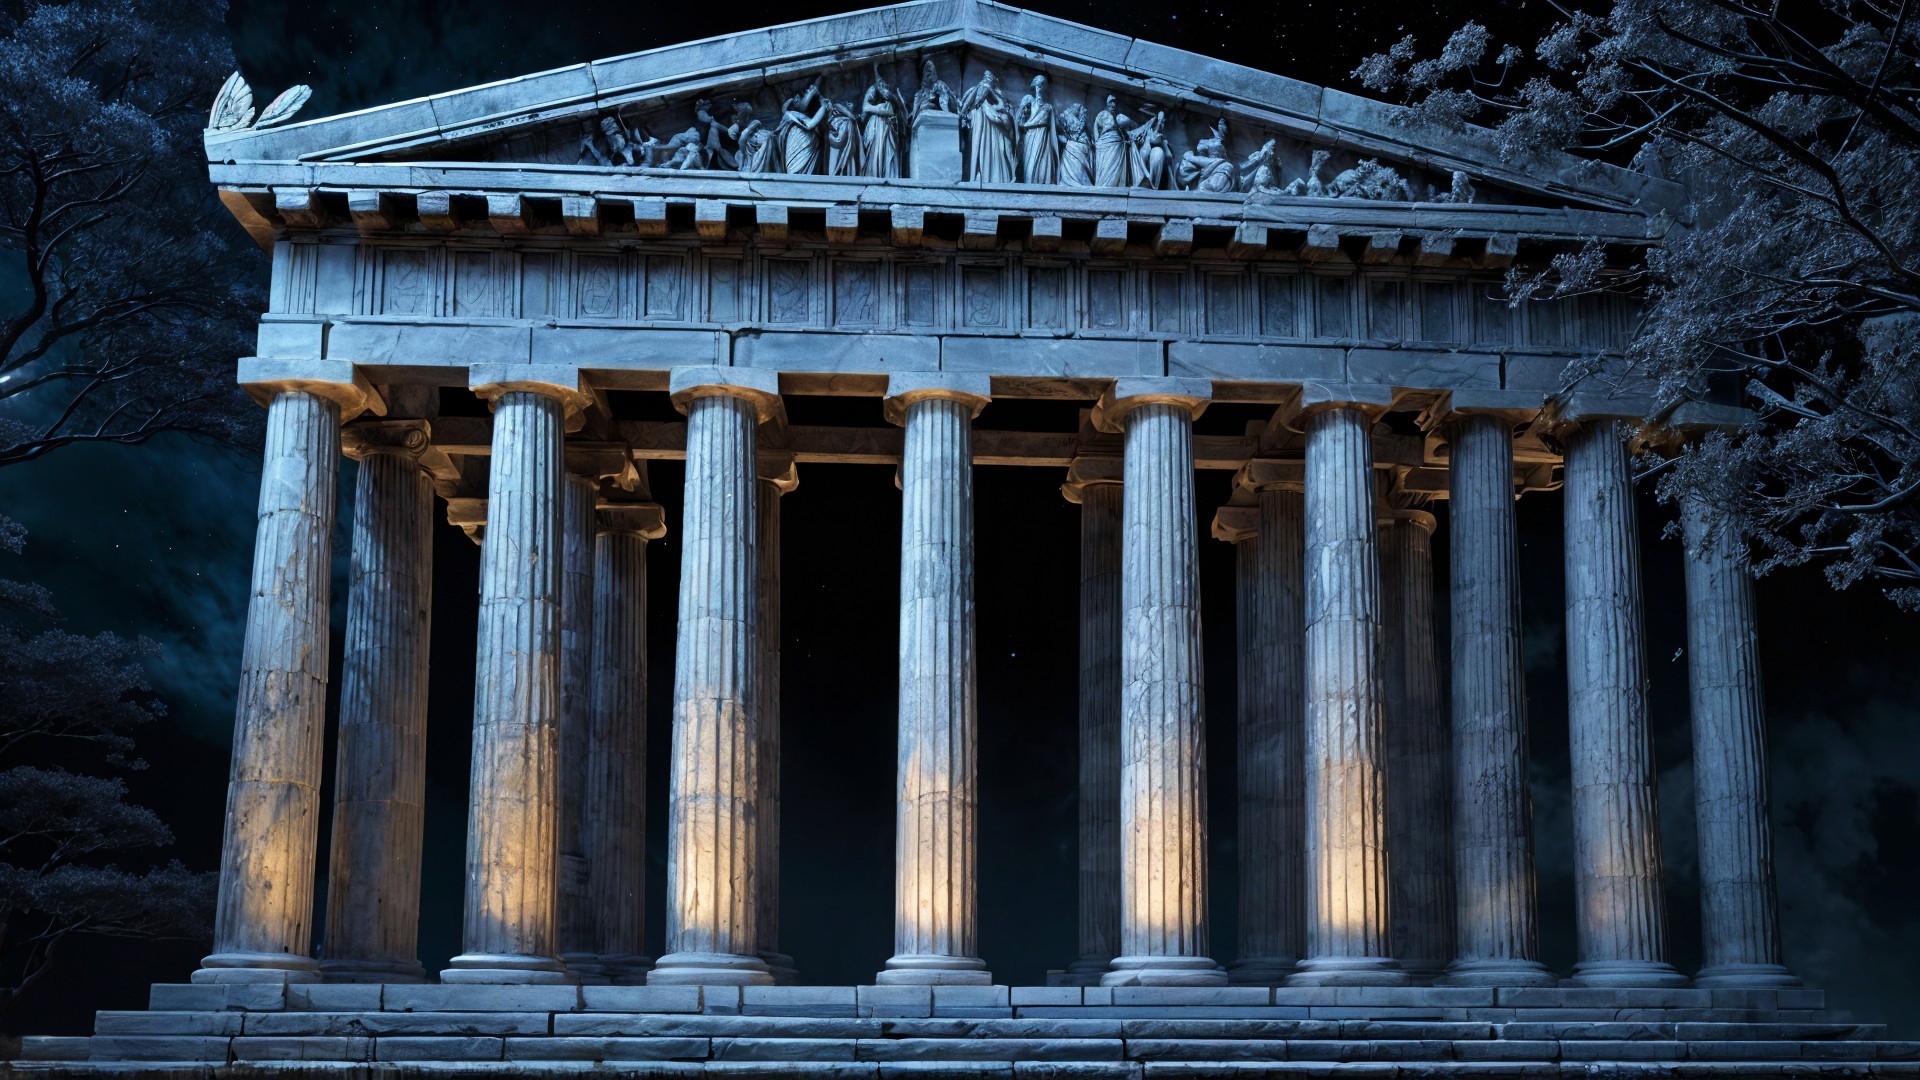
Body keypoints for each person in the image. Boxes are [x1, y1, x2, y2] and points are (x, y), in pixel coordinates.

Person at [959, 70, 1017, 183]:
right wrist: (964, 112)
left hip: (995, 127)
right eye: (985, 76)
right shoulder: (978, 89)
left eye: (989, 76)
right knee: (981, 146)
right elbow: (969, 101)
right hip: (980, 121)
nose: (987, 78)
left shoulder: (997, 93)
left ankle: (995, 176)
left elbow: (1003, 106)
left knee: (996, 149)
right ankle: (980, 174)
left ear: (994, 80)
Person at [773, 81, 830, 174]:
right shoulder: (792, 116)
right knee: (796, 171)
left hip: (808, 146)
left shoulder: (800, 117)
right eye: (796, 99)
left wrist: (816, 96)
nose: (796, 100)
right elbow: (809, 123)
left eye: (798, 98)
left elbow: (811, 123)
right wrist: (822, 105)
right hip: (798, 145)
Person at [860, 69, 905, 178]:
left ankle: (884, 175)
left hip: (886, 130)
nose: (881, 88)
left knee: (885, 154)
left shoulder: (890, 104)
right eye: (879, 86)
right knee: (874, 155)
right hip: (876, 130)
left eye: (883, 85)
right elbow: (863, 116)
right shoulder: (874, 113)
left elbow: (868, 107)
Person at [1016, 75, 1059, 184]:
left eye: (1042, 84)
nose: (1040, 87)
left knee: (1043, 164)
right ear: (1034, 86)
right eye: (1038, 84)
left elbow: (1051, 124)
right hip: (1031, 136)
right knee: (1030, 164)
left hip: (1044, 136)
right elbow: (1020, 119)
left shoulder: (1048, 106)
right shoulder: (1029, 100)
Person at [1176, 118, 1236, 192]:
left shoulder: (1221, 145)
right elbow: (1187, 168)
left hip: (1215, 174)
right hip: (1205, 173)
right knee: (1226, 166)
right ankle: (1205, 189)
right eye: (1220, 124)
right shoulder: (1195, 150)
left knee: (1227, 168)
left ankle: (1206, 189)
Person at [1093, 94, 1133, 187]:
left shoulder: (1116, 120)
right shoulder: (1103, 114)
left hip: (1118, 145)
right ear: (1107, 105)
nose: (1113, 106)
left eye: (1114, 105)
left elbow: (1123, 132)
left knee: (1115, 171)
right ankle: (1104, 186)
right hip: (1106, 144)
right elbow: (1096, 129)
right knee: (1107, 168)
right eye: (1110, 104)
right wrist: (1097, 142)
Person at [1057, 102, 1094, 187]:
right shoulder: (1069, 117)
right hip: (1076, 144)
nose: (1077, 109)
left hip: (1083, 144)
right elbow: (1075, 130)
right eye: (1076, 107)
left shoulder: (1077, 118)